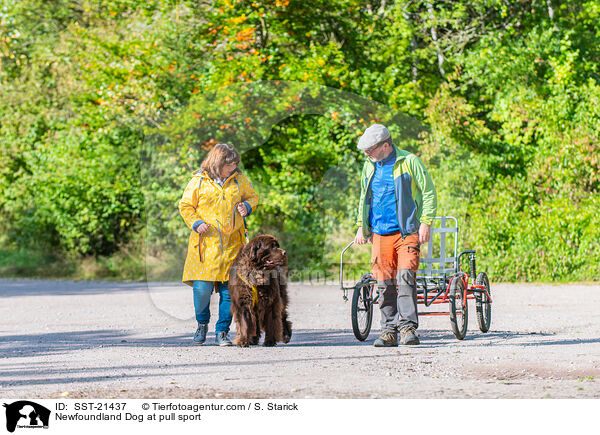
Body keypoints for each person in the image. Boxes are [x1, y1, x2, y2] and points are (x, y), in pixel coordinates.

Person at [354, 124, 437, 346]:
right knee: (384, 282)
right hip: (380, 233)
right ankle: (388, 331)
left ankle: (408, 328)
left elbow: (428, 191)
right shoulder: (369, 166)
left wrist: (426, 222)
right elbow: (364, 196)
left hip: (407, 230)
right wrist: (361, 226)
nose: (366, 154)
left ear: (386, 145)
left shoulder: (409, 161)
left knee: (405, 277)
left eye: (370, 149)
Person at [179, 143, 259, 346]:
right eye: (229, 164)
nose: (232, 168)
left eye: (234, 164)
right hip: (205, 246)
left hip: (234, 244)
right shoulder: (198, 180)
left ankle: (222, 332)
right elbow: (186, 205)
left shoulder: (239, 179)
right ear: (217, 162)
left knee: (230, 290)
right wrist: (196, 223)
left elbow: (252, 196)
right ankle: (202, 324)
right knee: (201, 289)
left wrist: (247, 206)